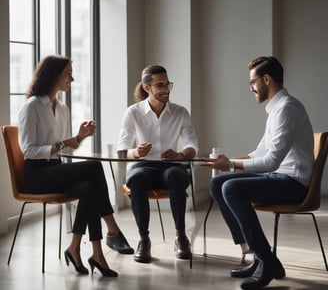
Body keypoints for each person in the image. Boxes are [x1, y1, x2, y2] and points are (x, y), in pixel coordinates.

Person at [18, 55, 134, 277]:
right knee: (93, 167)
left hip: (55, 169)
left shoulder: (62, 108)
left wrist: (78, 138)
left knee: (89, 188)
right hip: (37, 175)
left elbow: (65, 150)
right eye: (68, 74)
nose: (72, 78)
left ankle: (89, 251)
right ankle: (112, 228)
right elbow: (29, 151)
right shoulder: (31, 107)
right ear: (53, 76)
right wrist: (65, 142)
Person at [203, 56, 314, 289]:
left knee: (231, 187)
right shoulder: (276, 109)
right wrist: (225, 162)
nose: (251, 88)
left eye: (252, 82)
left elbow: (271, 162)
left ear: (266, 79)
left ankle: (266, 260)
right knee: (218, 184)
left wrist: (231, 166)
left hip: (293, 183)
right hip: (278, 178)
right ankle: (260, 255)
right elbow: (259, 152)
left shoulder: (287, 109)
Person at [117, 65, 198, 263]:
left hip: (171, 164)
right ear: (147, 88)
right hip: (141, 165)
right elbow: (122, 149)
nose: (166, 89)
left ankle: (181, 237)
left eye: (167, 84)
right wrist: (136, 152)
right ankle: (144, 239)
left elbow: (192, 145)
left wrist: (180, 154)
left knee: (177, 176)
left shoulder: (180, 112)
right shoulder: (133, 112)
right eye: (160, 85)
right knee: (136, 179)